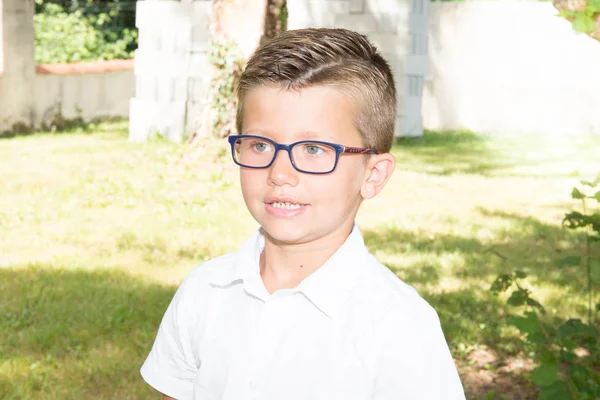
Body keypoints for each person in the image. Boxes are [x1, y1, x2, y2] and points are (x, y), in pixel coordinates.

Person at [141, 28, 466, 400]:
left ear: (372, 175)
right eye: (261, 144)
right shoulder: (204, 291)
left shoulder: (400, 324)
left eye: (313, 149)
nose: (279, 173)